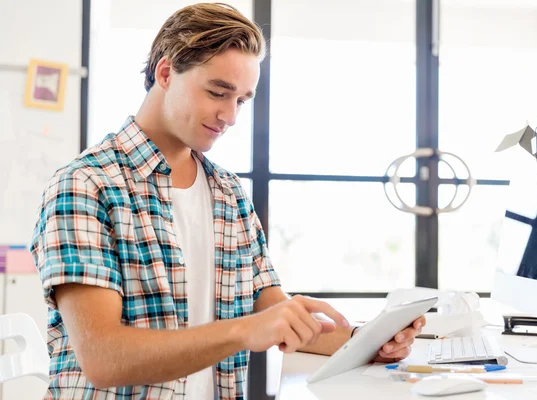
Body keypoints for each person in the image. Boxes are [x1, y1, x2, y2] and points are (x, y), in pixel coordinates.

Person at [30, 3, 426, 400]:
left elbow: (274, 313)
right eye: (218, 92)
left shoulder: (228, 193)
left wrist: (366, 340)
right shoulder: (85, 185)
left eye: (242, 99)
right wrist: (243, 330)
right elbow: (103, 359)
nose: (230, 115)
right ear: (166, 72)